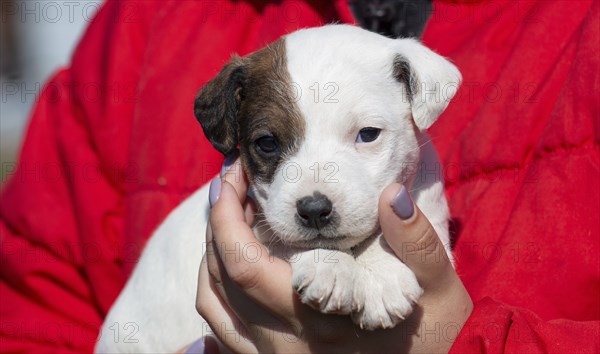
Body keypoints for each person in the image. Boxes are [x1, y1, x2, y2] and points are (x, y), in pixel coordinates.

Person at [1, 0, 598, 353]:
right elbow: (27, 310)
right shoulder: (146, 21)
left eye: (365, 136)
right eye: (269, 145)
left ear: (417, 104)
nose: (313, 196)